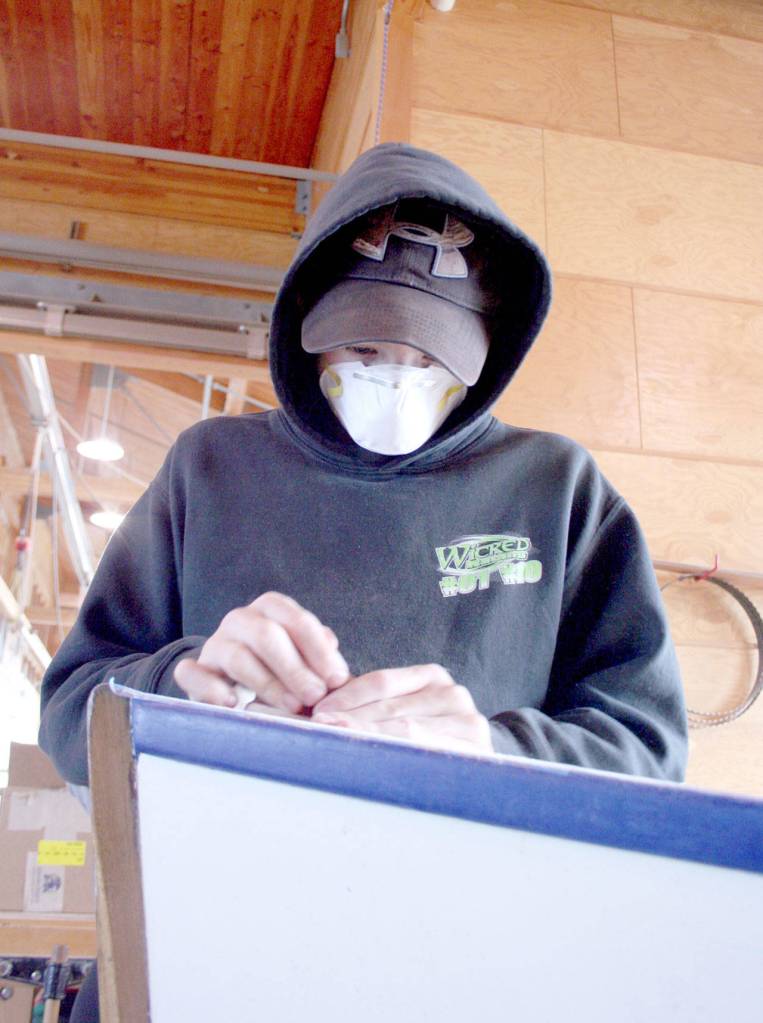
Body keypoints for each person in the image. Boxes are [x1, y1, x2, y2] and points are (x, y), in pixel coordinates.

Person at [40, 139, 688, 1022]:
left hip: (454, 965)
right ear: (305, 325)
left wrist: (493, 756)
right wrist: (177, 679)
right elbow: (71, 707)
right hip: (208, 949)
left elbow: (648, 752)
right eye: (366, 346)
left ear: (487, 351)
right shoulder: (210, 468)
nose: (396, 379)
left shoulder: (557, 490)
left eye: (429, 359)